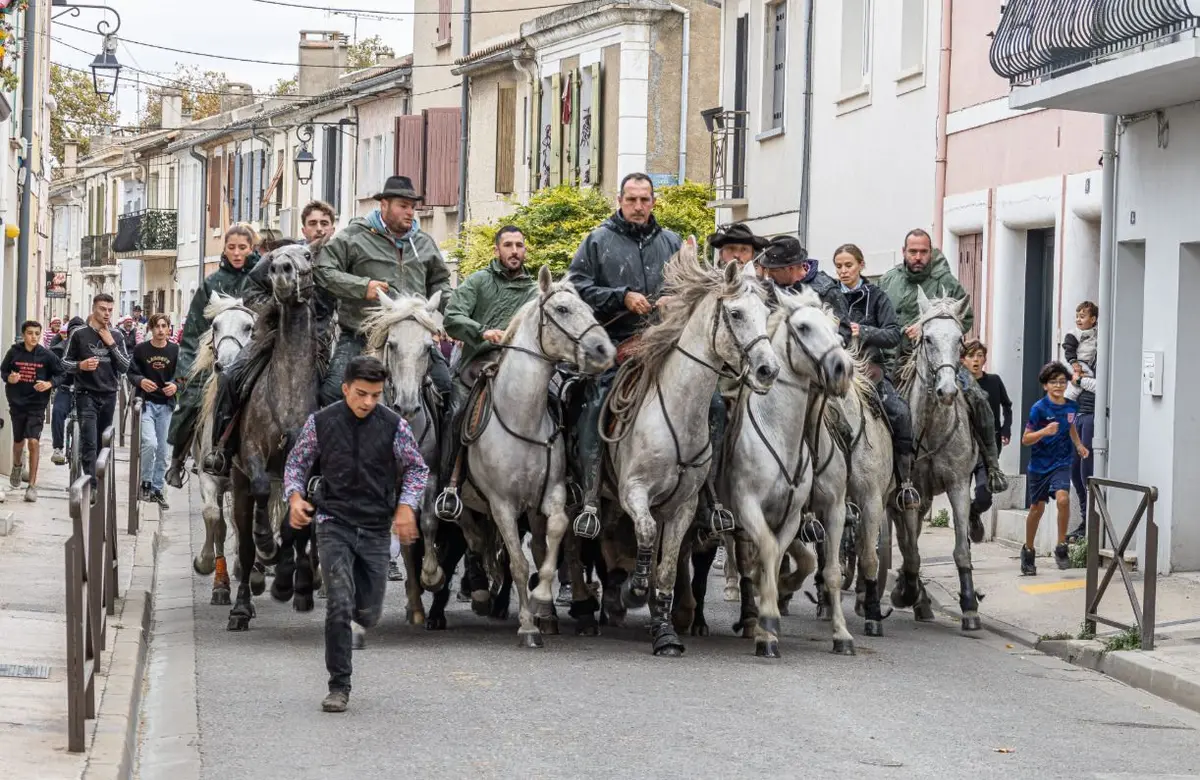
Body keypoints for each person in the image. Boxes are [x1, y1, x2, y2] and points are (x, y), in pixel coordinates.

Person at [283, 355, 428, 713]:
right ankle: (339, 685)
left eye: (375, 396)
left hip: (377, 527)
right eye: (361, 394)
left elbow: (416, 470)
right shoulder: (321, 422)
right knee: (339, 604)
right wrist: (295, 496)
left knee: (369, 611)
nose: (367, 402)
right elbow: (296, 463)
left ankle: (360, 621)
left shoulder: (395, 425)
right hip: (334, 521)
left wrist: (407, 505)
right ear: (345, 388)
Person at [566, 172, 682, 531]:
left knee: (712, 404)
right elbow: (576, 286)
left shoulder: (673, 242)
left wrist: (675, 299)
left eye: (644, 199)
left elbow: (696, 288)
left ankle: (709, 497)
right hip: (614, 344)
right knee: (595, 403)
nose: (638, 206)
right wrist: (621, 296)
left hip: (667, 345)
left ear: (654, 203)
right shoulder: (598, 240)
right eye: (631, 199)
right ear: (619, 201)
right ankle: (589, 496)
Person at [201, 205, 341, 478]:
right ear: (303, 229)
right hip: (274, 338)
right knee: (231, 377)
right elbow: (251, 289)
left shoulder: (341, 258)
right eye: (313, 223)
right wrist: (278, 310)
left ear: (332, 228)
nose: (319, 228)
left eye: (325, 222)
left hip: (324, 341)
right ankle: (222, 449)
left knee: (338, 393)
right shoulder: (283, 256)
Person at [878, 228, 1007, 495]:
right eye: (912, 251)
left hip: (941, 360)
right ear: (904, 252)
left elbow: (965, 316)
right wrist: (899, 332)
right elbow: (881, 317)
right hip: (896, 358)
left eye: (923, 252)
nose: (918, 257)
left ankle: (992, 465)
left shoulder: (946, 281)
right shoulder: (889, 280)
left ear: (931, 252)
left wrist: (928, 326)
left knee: (978, 397)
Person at [314, 175, 453, 409]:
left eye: (412, 207)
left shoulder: (424, 243)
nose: (410, 212)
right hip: (360, 334)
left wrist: (455, 314)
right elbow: (322, 270)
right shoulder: (353, 236)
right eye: (403, 206)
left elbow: (440, 282)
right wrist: (361, 287)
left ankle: (446, 447)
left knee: (447, 388)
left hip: (413, 337)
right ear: (384, 205)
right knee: (331, 393)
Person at [438, 225, 537, 507]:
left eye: (519, 245)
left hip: (522, 368)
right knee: (455, 414)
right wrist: (482, 331)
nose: (515, 251)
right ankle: (449, 485)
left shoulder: (535, 291)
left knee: (558, 404)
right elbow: (453, 317)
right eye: (508, 245)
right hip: (478, 365)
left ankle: (566, 482)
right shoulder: (478, 281)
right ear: (496, 250)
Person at [165, 224, 259, 488]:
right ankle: (177, 460)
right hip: (213, 354)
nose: (237, 253)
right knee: (192, 401)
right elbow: (194, 330)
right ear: (225, 249)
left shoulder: (261, 279)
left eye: (242, 247)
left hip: (253, 355)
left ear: (251, 249)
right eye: (232, 247)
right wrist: (187, 370)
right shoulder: (211, 283)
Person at [832, 244, 917, 508]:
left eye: (849, 265)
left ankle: (905, 482)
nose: (844, 271)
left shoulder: (877, 296)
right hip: (834, 371)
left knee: (900, 413)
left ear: (861, 265)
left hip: (870, 371)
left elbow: (893, 334)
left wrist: (863, 331)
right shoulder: (829, 296)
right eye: (839, 266)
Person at [1020, 362, 1089, 575]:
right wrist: (1044, 432)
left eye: (1062, 382)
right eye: (1053, 382)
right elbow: (1025, 439)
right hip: (1040, 466)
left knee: (1063, 500)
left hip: (1062, 462)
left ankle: (1061, 546)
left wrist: (1078, 445)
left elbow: (1071, 428)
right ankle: (1028, 550)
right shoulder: (1038, 409)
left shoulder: (1071, 407)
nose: (1058, 386)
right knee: (1037, 510)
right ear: (1045, 386)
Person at [61, 294, 131, 489]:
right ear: (93, 308)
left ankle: (100, 483)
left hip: (109, 395)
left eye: (110, 310)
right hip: (86, 394)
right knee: (89, 442)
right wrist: (80, 365)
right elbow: (64, 363)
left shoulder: (116, 335)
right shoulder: (79, 334)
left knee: (103, 443)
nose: (107, 313)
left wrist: (111, 344)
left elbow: (126, 366)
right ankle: (92, 486)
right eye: (102, 309)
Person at [2, 321, 62, 501]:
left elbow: (61, 374)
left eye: (37, 333)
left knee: (33, 442)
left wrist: (49, 384)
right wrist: (10, 378)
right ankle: (17, 465)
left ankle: (32, 485)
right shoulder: (14, 352)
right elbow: (3, 371)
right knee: (19, 442)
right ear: (23, 334)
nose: (33, 337)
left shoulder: (47, 355)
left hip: (37, 404)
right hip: (17, 402)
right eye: (30, 333)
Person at [960, 340, 1012, 542]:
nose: (976, 360)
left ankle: (974, 513)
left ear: (984, 359)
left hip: (988, 446)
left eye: (980, 355)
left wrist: (1006, 428)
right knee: (960, 495)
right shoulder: (957, 384)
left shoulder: (994, 381)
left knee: (984, 496)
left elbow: (1007, 406)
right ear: (963, 360)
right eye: (972, 355)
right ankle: (964, 544)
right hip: (962, 447)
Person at [129, 314, 179, 508]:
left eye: (163, 326)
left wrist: (175, 385)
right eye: (156, 326)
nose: (160, 329)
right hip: (147, 403)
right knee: (150, 443)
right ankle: (145, 483)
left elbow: (184, 375)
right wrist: (141, 381)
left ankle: (157, 489)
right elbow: (131, 372)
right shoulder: (142, 350)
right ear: (150, 328)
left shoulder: (175, 350)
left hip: (166, 405)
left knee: (163, 449)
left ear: (168, 329)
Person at [1063, 300, 1098, 540]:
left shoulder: (1098, 358)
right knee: (1075, 471)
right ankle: (1085, 518)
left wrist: (1080, 380)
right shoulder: (1076, 346)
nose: (1078, 319)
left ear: (1094, 320)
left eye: (1083, 316)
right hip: (1078, 417)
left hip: (1093, 418)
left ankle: (1091, 524)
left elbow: (1100, 388)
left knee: (1087, 471)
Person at [758, 236, 849, 321]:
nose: (769, 275)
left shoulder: (826, 291)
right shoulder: (771, 291)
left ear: (790, 268)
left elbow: (844, 332)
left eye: (774, 270)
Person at [49, 316, 85, 465]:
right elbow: (52, 369)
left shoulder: (90, 348)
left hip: (85, 390)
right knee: (57, 412)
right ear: (68, 333)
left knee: (93, 417)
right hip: (65, 388)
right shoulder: (59, 349)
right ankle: (58, 448)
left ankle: (91, 449)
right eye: (73, 331)